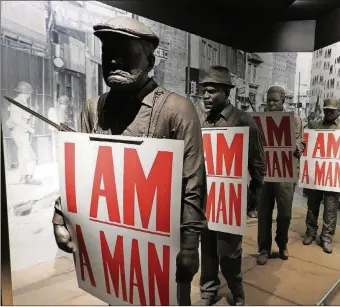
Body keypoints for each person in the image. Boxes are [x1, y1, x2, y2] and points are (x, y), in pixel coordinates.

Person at [51, 16, 207, 305]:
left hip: (161, 247)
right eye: (108, 52)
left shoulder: (176, 110)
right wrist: (61, 215)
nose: (114, 60)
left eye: (126, 51)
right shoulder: (93, 109)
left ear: (150, 60)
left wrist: (188, 245)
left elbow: (193, 182)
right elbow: (80, 175)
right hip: (110, 246)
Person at [197, 65, 265, 306]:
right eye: (203, 90)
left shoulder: (244, 121)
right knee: (206, 248)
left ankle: (236, 288)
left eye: (212, 91)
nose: (205, 96)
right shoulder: (199, 120)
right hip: (205, 198)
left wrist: (253, 200)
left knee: (229, 251)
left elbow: (258, 164)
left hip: (230, 199)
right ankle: (208, 290)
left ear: (227, 93)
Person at [256, 85, 306, 265]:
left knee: (284, 214)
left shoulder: (294, 120)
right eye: (269, 100)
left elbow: (301, 142)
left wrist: (295, 147)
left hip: (285, 172)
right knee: (263, 213)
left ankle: (282, 243)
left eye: (275, 101)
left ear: (283, 101)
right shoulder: (259, 120)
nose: (271, 103)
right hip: (265, 173)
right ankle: (263, 248)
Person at [303, 98, 340, 254]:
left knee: (331, 207)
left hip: (334, 174)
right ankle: (310, 232)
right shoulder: (316, 126)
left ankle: (326, 237)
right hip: (317, 173)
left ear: (338, 110)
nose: (329, 112)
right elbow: (308, 147)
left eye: (332, 110)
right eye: (326, 110)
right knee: (312, 205)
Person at [6, 81, 40, 185]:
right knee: (31, 157)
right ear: (25, 93)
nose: (29, 96)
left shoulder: (22, 102)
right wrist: (28, 128)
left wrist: (33, 110)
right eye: (29, 94)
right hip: (19, 132)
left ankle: (22, 178)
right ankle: (28, 177)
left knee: (22, 154)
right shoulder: (17, 102)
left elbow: (25, 115)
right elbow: (16, 119)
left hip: (22, 132)